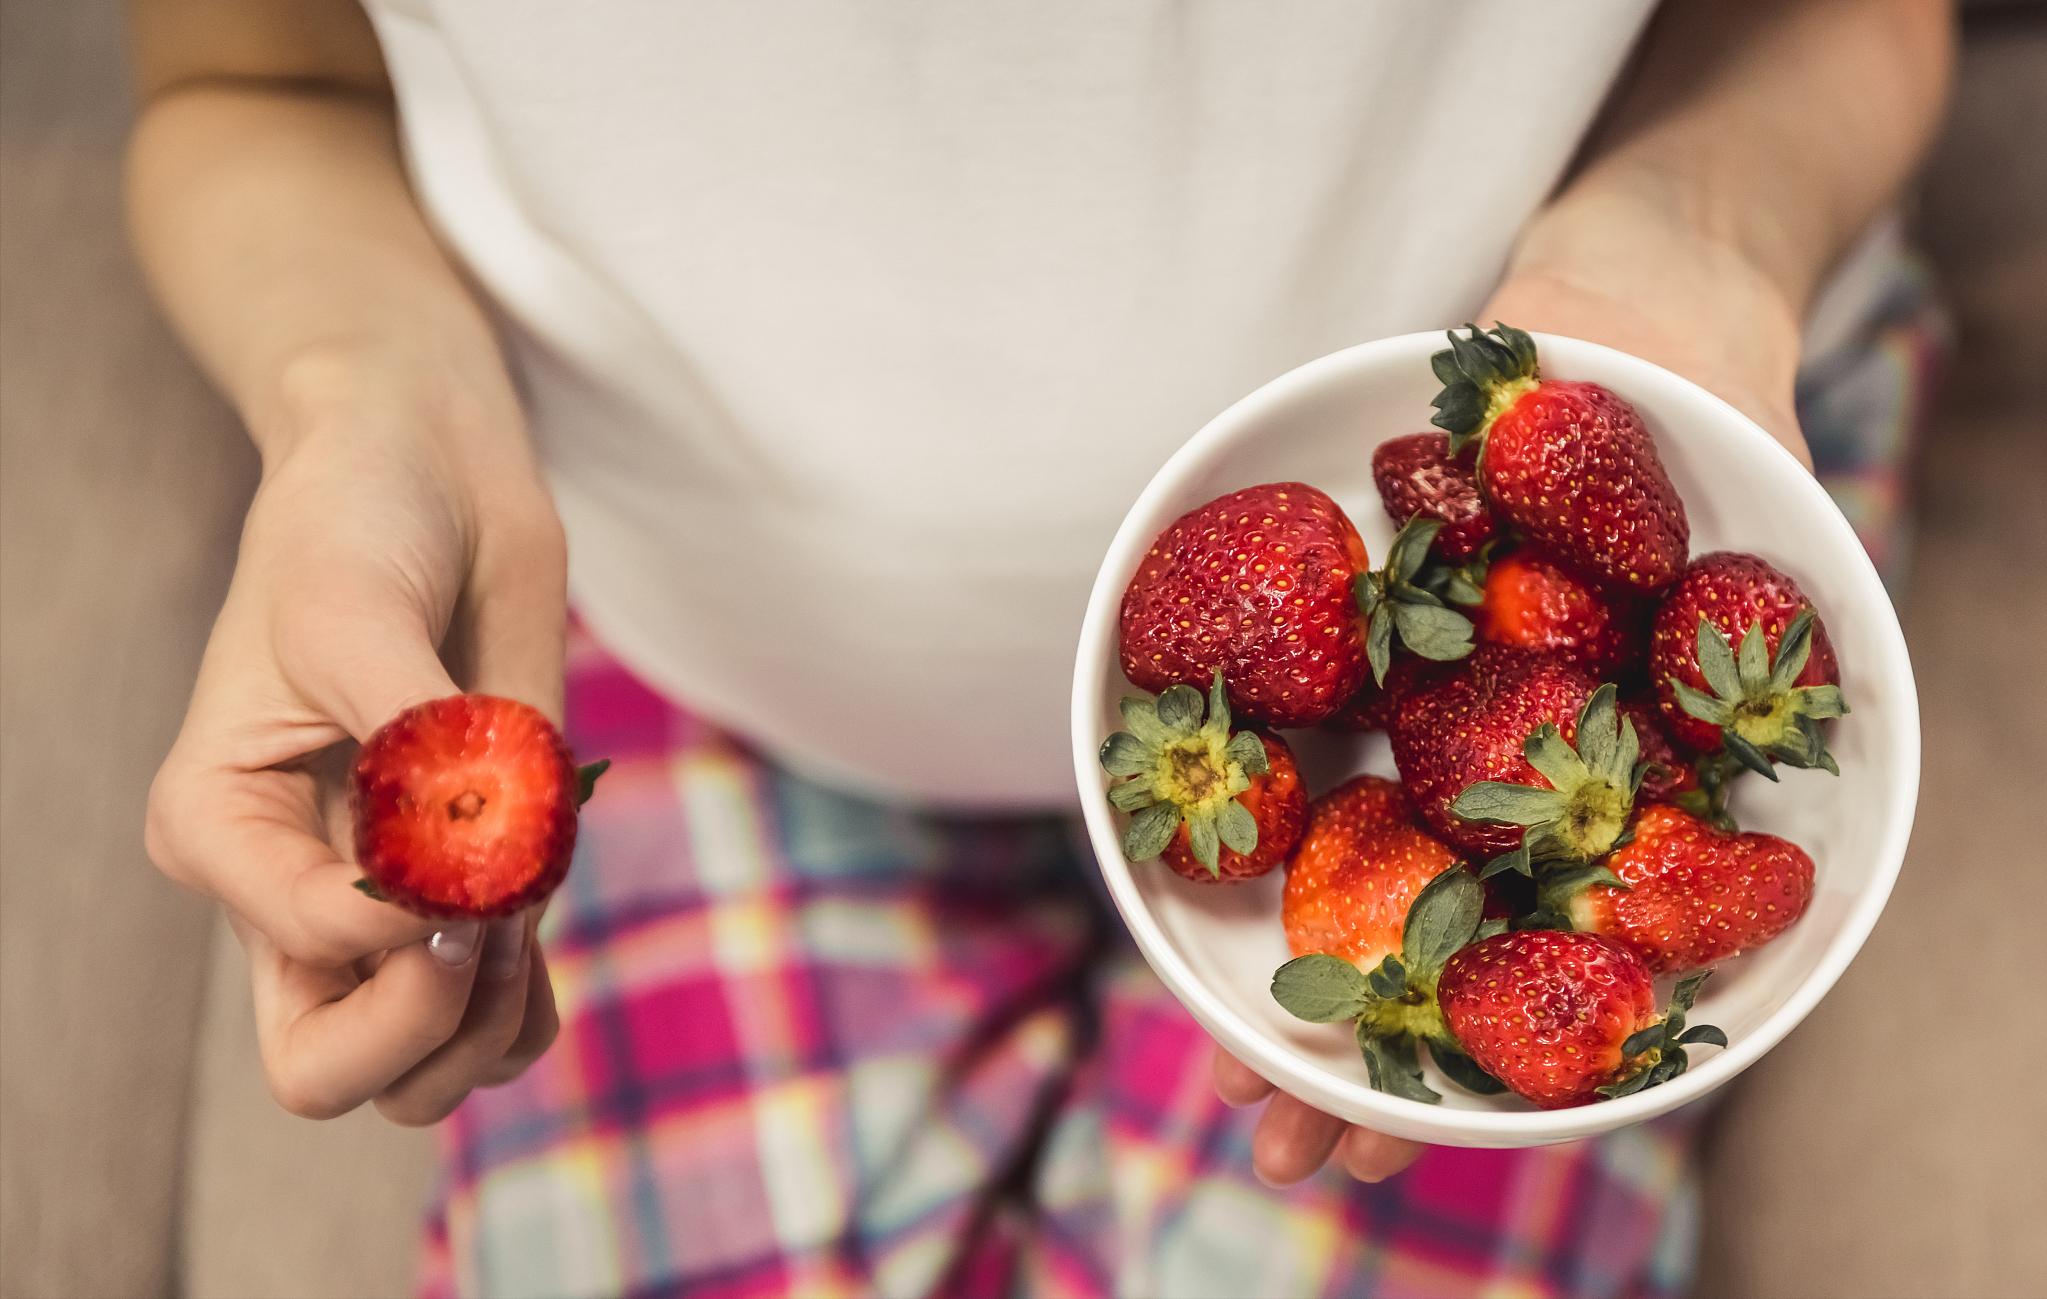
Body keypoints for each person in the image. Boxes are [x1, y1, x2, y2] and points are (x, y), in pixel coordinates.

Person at [130, 2, 1951, 1294]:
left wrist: (1693, 232)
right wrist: (360, 400)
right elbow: (249, 74)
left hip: (1630, 429)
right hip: (697, 654)